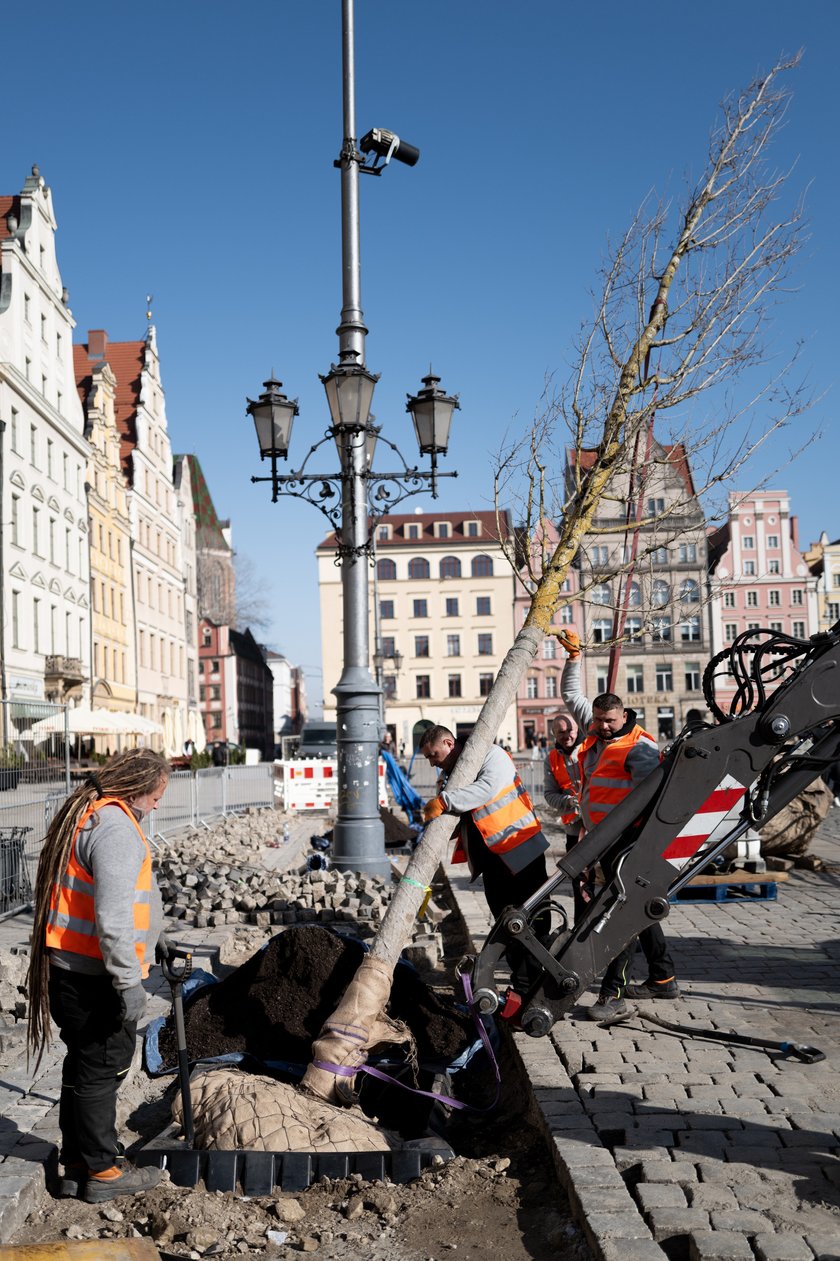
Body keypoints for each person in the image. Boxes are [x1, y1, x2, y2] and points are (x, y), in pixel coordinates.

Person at [27, 749, 170, 1203]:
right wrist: (129, 981)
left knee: (84, 1064)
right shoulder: (116, 830)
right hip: (97, 977)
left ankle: (76, 1164)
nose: (157, 805)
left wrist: (157, 933)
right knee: (103, 1068)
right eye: (157, 795)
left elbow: (132, 895)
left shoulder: (89, 816)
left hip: (70, 967)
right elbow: (112, 917)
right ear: (138, 789)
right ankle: (103, 1173)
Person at [560, 631, 680, 1022]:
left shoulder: (638, 748)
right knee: (636, 909)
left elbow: (656, 794)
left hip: (627, 842)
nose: (602, 726)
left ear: (624, 715)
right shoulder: (596, 730)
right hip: (601, 839)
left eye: (609, 720)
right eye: (597, 720)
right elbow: (570, 695)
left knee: (620, 913)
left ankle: (613, 993)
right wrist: (574, 657)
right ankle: (662, 978)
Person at [419, 725, 549, 997]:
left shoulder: (492, 755)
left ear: (448, 743)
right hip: (493, 859)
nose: (432, 762)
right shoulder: (450, 775)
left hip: (519, 847)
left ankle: (535, 984)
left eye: (433, 754)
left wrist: (445, 801)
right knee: (506, 923)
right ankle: (524, 985)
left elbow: (486, 790)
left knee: (533, 920)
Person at [543, 712, 589, 920]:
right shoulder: (551, 759)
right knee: (578, 879)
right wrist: (568, 802)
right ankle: (580, 926)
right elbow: (549, 794)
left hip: (600, 825)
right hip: (573, 829)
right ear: (554, 734)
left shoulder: (590, 748)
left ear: (577, 729)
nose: (566, 736)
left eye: (569, 730)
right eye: (560, 732)